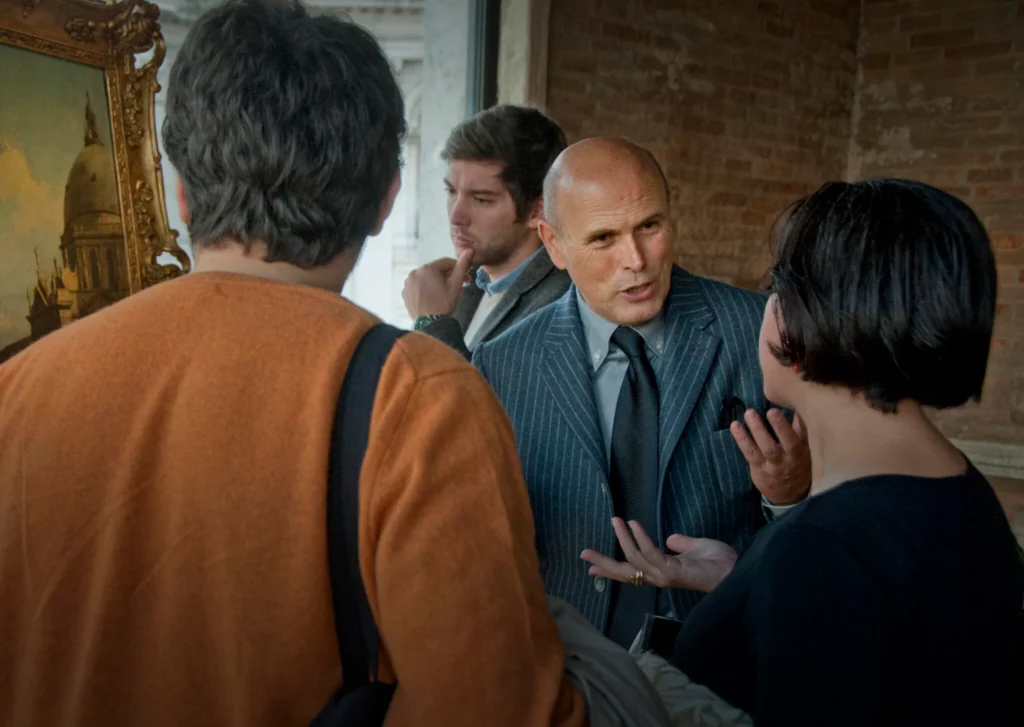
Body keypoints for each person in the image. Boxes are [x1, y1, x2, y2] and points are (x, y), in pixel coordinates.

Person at [0, 2, 589, 725]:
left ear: (181, 192)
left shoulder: (15, 387)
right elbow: (496, 711)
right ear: (385, 199)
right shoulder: (422, 398)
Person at [662, 179, 1023, 725]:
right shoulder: (958, 487)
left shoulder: (822, 549)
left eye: (775, 287)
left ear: (802, 323)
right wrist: (748, 585)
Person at [472, 137, 812, 648]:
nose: (635, 259)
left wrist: (788, 497)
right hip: (566, 656)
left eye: (649, 226)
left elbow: (832, 531)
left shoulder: (759, 331)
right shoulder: (502, 364)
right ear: (554, 244)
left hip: (722, 652)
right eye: (603, 238)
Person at [403, 105, 571, 359]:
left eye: (481, 199)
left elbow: (471, 387)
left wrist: (432, 322)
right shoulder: (469, 284)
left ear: (537, 211)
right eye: (451, 192)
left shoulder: (561, 308)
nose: (456, 217)